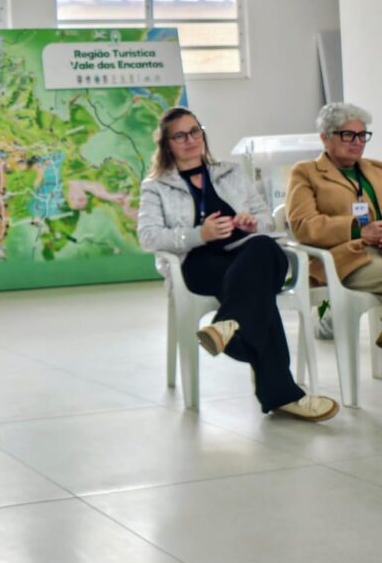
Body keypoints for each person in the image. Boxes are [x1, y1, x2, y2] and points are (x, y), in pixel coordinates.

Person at [138, 106, 338, 421]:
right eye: (180, 135)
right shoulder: (156, 186)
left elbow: (266, 221)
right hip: (197, 263)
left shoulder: (230, 172)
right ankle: (283, 394)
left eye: (195, 131)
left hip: (243, 254)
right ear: (167, 144)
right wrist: (198, 234)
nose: (191, 140)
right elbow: (148, 237)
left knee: (263, 249)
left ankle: (228, 325)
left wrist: (250, 223)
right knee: (259, 292)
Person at [287, 102, 382, 309]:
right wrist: (359, 231)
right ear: (325, 137)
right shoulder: (306, 172)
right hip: (344, 259)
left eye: (362, 135)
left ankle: (330, 321)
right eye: (348, 135)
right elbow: (303, 225)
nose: (357, 142)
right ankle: (328, 318)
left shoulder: (376, 169)